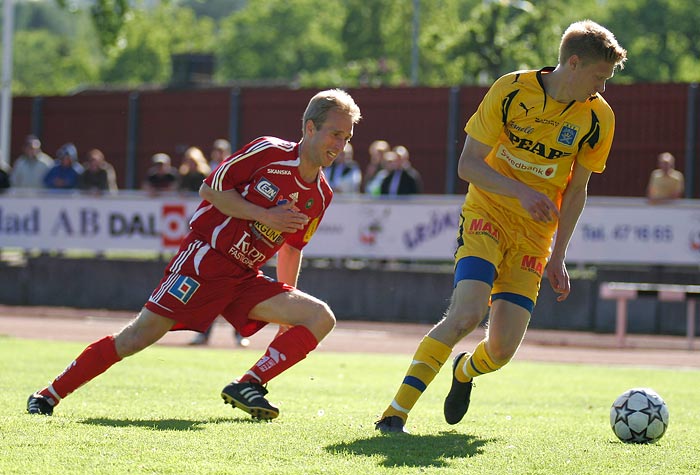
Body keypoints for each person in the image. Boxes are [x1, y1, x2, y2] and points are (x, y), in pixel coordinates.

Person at [27, 88, 362, 420]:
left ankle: (249, 383)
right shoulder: (269, 152)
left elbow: (292, 249)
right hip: (205, 261)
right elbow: (210, 189)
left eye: (346, 138)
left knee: (320, 317)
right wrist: (263, 214)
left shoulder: (320, 195)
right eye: (335, 133)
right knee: (137, 337)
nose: (340, 145)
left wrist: (287, 319)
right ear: (309, 128)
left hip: (244, 279)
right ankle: (48, 395)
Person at [375, 20, 627, 434]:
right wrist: (520, 192)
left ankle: (464, 370)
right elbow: (468, 165)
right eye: (599, 77)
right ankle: (394, 414)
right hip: (486, 215)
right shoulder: (511, 90)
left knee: (503, 350)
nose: (601, 88)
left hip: (535, 234)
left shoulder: (599, 117)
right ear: (574, 63)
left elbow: (577, 190)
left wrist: (559, 255)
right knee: (467, 313)